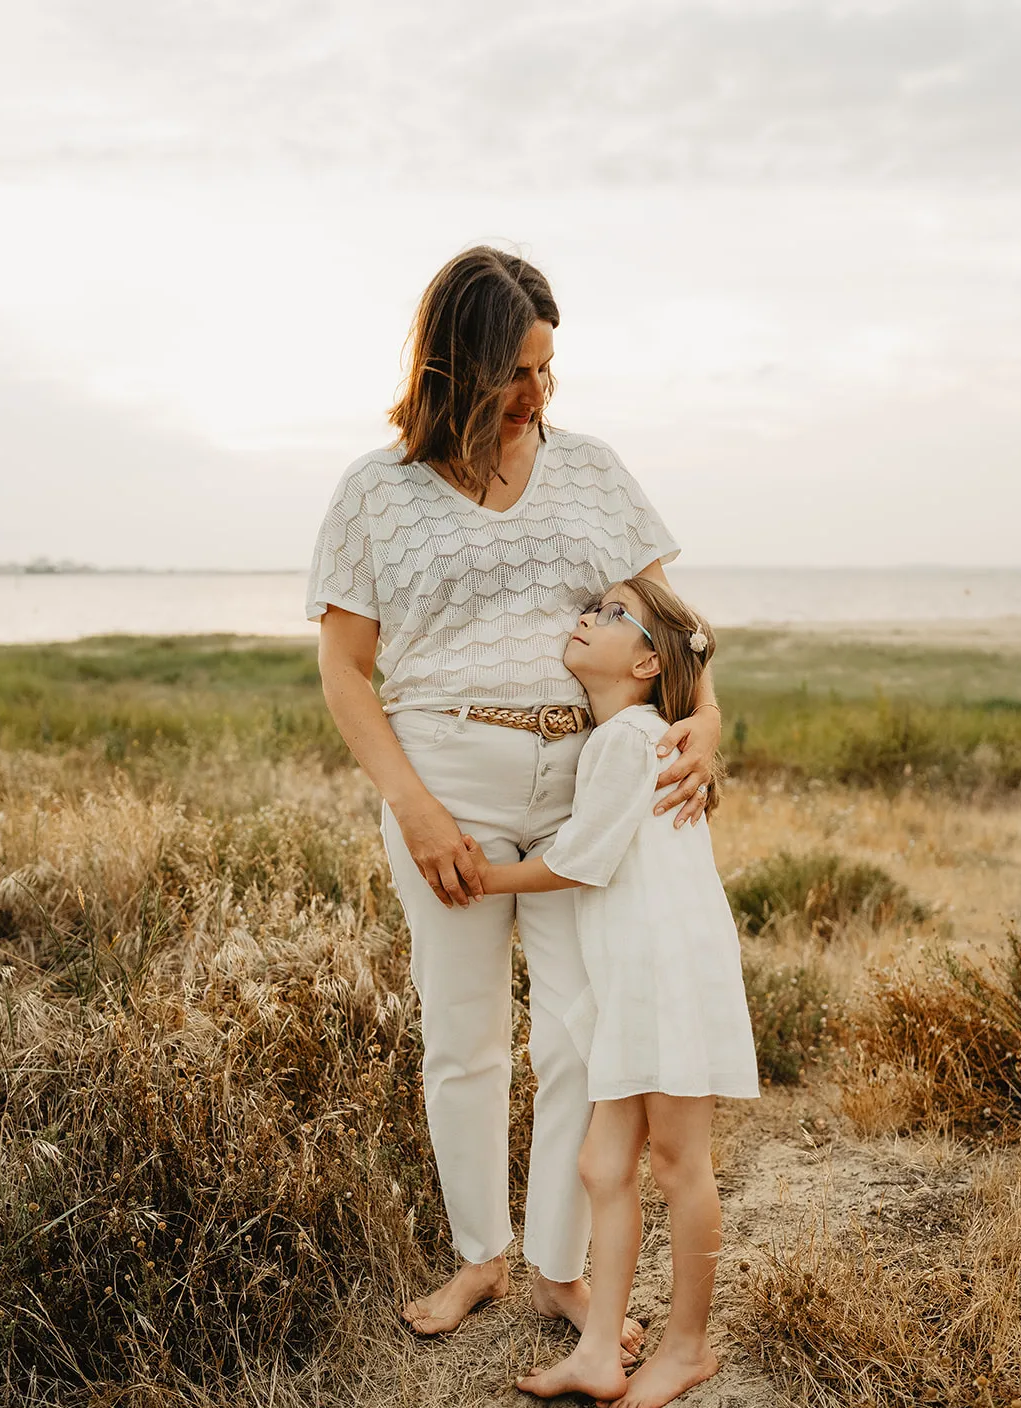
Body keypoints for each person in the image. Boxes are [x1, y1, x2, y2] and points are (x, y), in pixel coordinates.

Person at [306, 246, 722, 1349]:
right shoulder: (374, 491)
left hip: (585, 783)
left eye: (546, 367)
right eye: (514, 372)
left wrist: (707, 719)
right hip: (444, 775)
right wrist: (414, 806)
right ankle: (478, 1256)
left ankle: (558, 1269)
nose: (536, 392)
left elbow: (671, 625)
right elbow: (344, 669)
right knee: (463, 1032)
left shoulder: (591, 469)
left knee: (584, 1031)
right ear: (454, 364)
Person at [459, 577, 760, 1408]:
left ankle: (687, 1347)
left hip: (666, 972)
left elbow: (578, 861)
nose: (588, 617)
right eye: (591, 606)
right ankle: (597, 1353)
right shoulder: (621, 737)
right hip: (629, 974)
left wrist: (481, 878)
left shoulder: (630, 738)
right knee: (601, 1164)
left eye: (614, 613)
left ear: (646, 663)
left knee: (677, 1163)